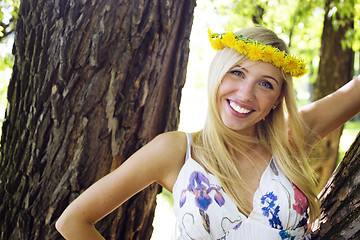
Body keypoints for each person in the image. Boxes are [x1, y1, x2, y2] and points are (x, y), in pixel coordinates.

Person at [56, 26, 360, 239]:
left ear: (278, 98)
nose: (245, 94)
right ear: (218, 75)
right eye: (237, 73)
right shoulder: (176, 151)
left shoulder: (291, 139)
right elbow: (73, 222)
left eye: (265, 83)